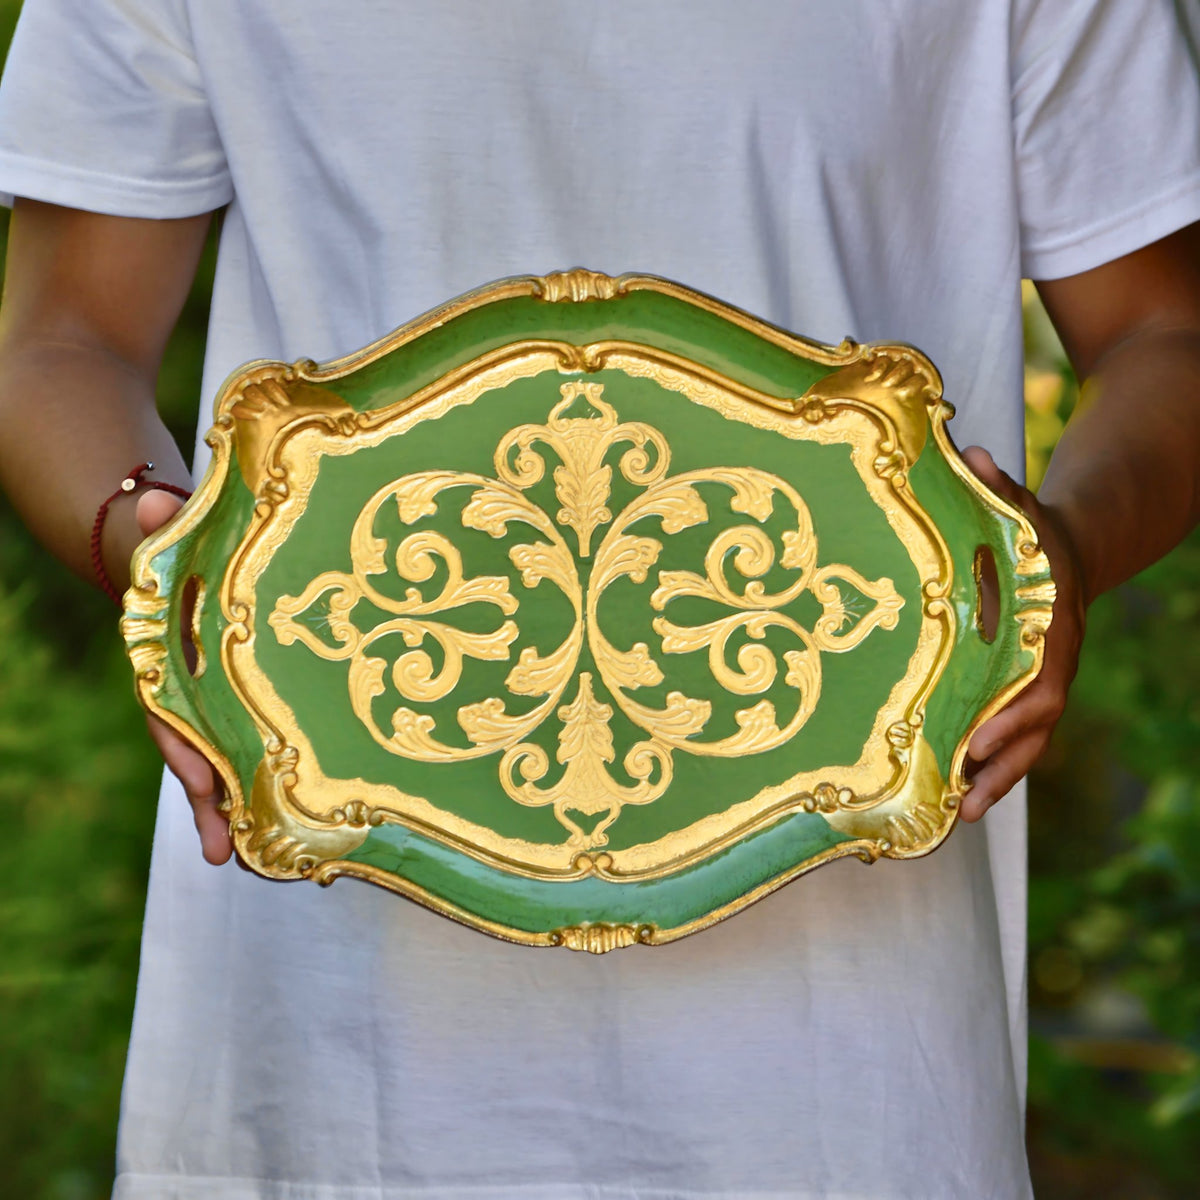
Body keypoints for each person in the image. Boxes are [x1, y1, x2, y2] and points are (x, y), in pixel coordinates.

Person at [1, 1, 1199, 1196]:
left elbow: (1163, 334)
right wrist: (159, 561)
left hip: (850, 1053)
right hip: (318, 1012)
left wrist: (1060, 563)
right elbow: (60, 341)